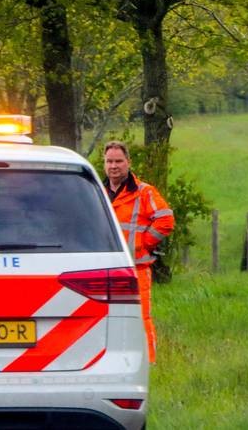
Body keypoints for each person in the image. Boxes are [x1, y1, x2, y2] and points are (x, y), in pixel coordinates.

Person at [102, 141, 173, 363]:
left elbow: (166, 220)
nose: (114, 166)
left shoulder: (144, 192)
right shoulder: (97, 192)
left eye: (118, 161)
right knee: (104, 320)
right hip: (102, 269)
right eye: (109, 161)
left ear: (128, 162)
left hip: (135, 269)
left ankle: (149, 365)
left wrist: (143, 243)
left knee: (140, 319)